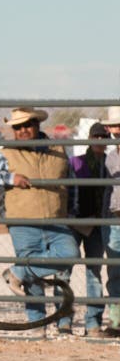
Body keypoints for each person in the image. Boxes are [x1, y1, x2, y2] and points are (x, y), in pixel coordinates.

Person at [0, 107, 78, 334]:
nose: (23, 130)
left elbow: (70, 183)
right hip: (23, 222)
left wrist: (72, 212)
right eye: (17, 127)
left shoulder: (58, 150)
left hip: (57, 219)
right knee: (35, 280)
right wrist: (10, 177)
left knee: (68, 257)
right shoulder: (6, 152)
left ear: (37, 125)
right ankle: (38, 323)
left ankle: (18, 274)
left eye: (27, 125)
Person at [69, 122, 109, 336]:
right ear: (90, 138)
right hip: (76, 221)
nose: (100, 141)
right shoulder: (76, 162)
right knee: (65, 269)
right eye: (97, 137)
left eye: (104, 137)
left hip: (97, 222)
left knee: (94, 272)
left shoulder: (110, 163)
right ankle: (63, 320)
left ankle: (93, 323)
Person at [100, 107, 120, 332]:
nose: (115, 129)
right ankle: (116, 321)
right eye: (114, 125)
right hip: (114, 216)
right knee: (115, 269)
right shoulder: (112, 155)